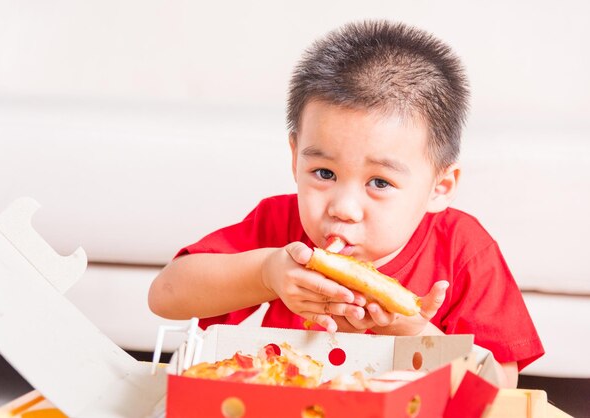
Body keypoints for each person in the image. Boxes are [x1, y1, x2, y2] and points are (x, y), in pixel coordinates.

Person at [148, 20, 544, 388]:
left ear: (440, 187)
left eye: (379, 182)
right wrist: (266, 273)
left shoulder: (463, 248)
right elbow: (165, 295)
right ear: (295, 157)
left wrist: (410, 330)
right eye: (324, 173)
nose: (344, 208)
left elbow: (499, 384)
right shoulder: (279, 225)